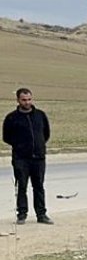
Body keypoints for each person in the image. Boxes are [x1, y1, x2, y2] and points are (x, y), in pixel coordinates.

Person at [2, 87, 52, 225]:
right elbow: (6, 137)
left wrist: (39, 145)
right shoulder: (11, 118)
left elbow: (46, 134)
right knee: (22, 186)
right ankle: (22, 214)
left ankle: (41, 214)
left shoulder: (40, 115)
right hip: (21, 158)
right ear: (18, 100)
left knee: (39, 186)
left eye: (29, 99)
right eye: (24, 100)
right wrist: (20, 146)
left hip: (38, 158)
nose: (27, 102)